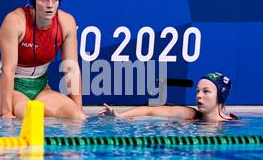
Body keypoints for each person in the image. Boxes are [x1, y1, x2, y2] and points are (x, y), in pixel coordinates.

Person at [0, 0, 85, 119]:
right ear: (34, 1)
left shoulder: (66, 22)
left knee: (77, 116)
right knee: (30, 115)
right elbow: (8, 70)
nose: (50, 5)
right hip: (14, 87)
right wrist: (6, 112)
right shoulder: (15, 21)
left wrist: (79, 108)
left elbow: (71, 68)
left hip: (41, 88)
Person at [99, 72, 238, 122]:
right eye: (197, 91)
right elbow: (150, 110)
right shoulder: (191, 114)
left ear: (221, 95)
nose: (199, 96)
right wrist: (119, 116)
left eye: (206, 91)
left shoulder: (234, 123)